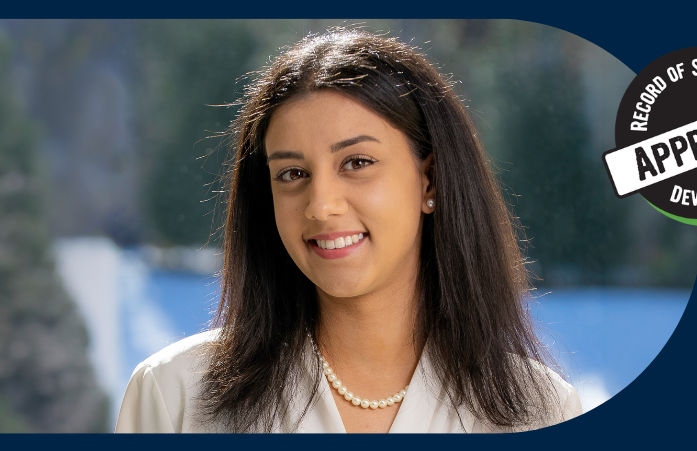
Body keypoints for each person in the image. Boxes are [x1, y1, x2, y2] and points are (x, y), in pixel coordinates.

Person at [115, 28, 581, 433]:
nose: (321, 206)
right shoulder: (173, 397)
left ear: (430, 181)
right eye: (292, 174)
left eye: (357, 163)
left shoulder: (542, 412)